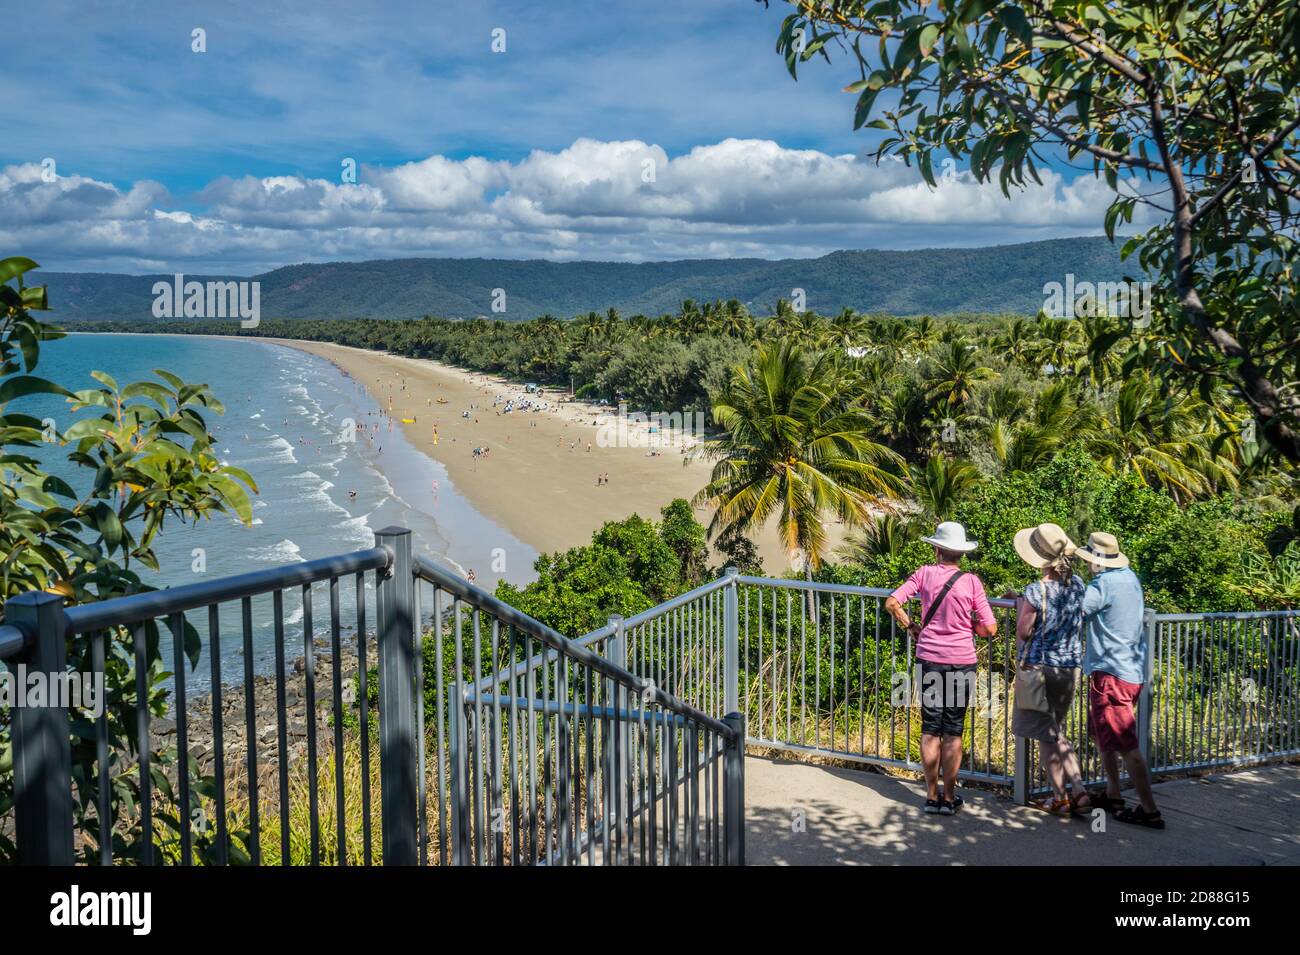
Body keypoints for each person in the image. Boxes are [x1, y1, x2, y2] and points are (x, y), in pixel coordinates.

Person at [885, 521, 996, 815]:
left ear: (937, 549)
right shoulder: (972, 581)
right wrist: (971, 625)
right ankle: (949, 797)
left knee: (930, 728)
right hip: (961, 661)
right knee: (954, 731)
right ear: (961, 553)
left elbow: (892, 602)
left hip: (930, 658)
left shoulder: (924, 574)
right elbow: (990, 628)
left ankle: (931, 796)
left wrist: (911, 626)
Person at [1077, 532, 1164, 828]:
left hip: (1111, 672)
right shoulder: (1130, 578)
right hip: (1131, 669)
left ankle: (1149, 809)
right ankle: (1113, 794)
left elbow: (1075, 611)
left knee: (1126, 743)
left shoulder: (1102, 585)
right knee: (1107, 737)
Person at [1010, 523, 1090, 816]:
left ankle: (1064, 795)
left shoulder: (1036, 590)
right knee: (1055, 730)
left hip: (1039, 670)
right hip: (1069, 668)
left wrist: (1021, 604)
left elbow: (1023, 631)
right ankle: (1075, 791)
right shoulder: (1078, 585)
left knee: (1049, 735)